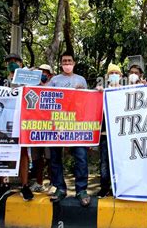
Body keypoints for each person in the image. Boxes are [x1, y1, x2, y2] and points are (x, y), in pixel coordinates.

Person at [47, 51, 91, 207]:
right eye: (64, 61)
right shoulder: (54, 80)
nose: (67, 63)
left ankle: (81, 190)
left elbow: (88, 101)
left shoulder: (81, 80)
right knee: (55, 157)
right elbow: (45, 97)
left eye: (69, 61)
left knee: (81, 156)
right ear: (61, 64)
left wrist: (83, 93)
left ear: (74, 63)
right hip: (57, 124)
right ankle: (60, 188)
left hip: (77, 125)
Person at [0, 53, 34, 202]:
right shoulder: (2, 81)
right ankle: (4, 184)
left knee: (22, 153)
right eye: (9, 61)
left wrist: (32, 77)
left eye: (15, 61)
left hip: (22, 121)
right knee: (4, 152)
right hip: (4, 122)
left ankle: (24, 185)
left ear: (21, 64)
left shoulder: (28, 79)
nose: (12, 63)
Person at [96, 63, 123, 198]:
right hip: (105, 134)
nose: (114, 76)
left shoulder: (127, 91)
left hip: (121, 134)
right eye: (111, 73)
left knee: (120, 162)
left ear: (121, 76)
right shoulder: (102, 92)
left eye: (116, 73)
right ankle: (104, 188)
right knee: (104, 163)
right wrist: (98, 92)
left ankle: (118, 187)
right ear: (107, 77)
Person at [29, 63, 54, 192]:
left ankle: (51, 182)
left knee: (50, 157)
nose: (43, 75)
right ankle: (39, 182)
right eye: (40, 72)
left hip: (50, 128)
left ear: (50, 75)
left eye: (45, 72)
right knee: (36, 158)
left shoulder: (55, 87)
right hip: (35, 127)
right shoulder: (32, 88)